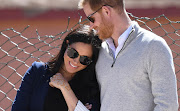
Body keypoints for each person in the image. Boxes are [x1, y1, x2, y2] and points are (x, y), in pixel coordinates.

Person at [78, 0, 179, 111]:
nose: (91, 26)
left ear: (106, 11)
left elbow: (168, 106)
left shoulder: (154, 46)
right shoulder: (100, 50)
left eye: (91, 19)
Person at [11, 25, 102, 111]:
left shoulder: (92, 89)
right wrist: (77, 106)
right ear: (66, 45)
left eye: (85, 59)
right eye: (73, 53)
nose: (76, 61)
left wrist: (65, 87)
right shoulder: (38, 72)